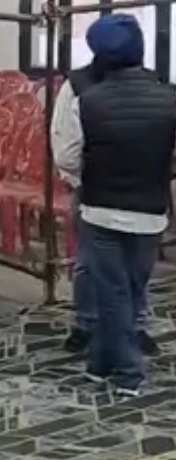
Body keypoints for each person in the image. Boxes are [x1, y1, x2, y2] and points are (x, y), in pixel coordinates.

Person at [52, 14, 174, 397]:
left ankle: (127, 371)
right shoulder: (169, 95)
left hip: (101, 208)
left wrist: (89, 176)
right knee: (131, 287)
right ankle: (100, 362)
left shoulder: (87, 99)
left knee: (112, 291)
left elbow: (66, 157)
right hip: (151, 210)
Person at [53, 58, 159, 357]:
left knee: (102, 263)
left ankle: (104, 327)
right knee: (125, 264)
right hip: (124, 189)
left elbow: (64, 149)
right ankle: (102, 324)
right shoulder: (155, 87)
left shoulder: (78, 87)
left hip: (107, 190)